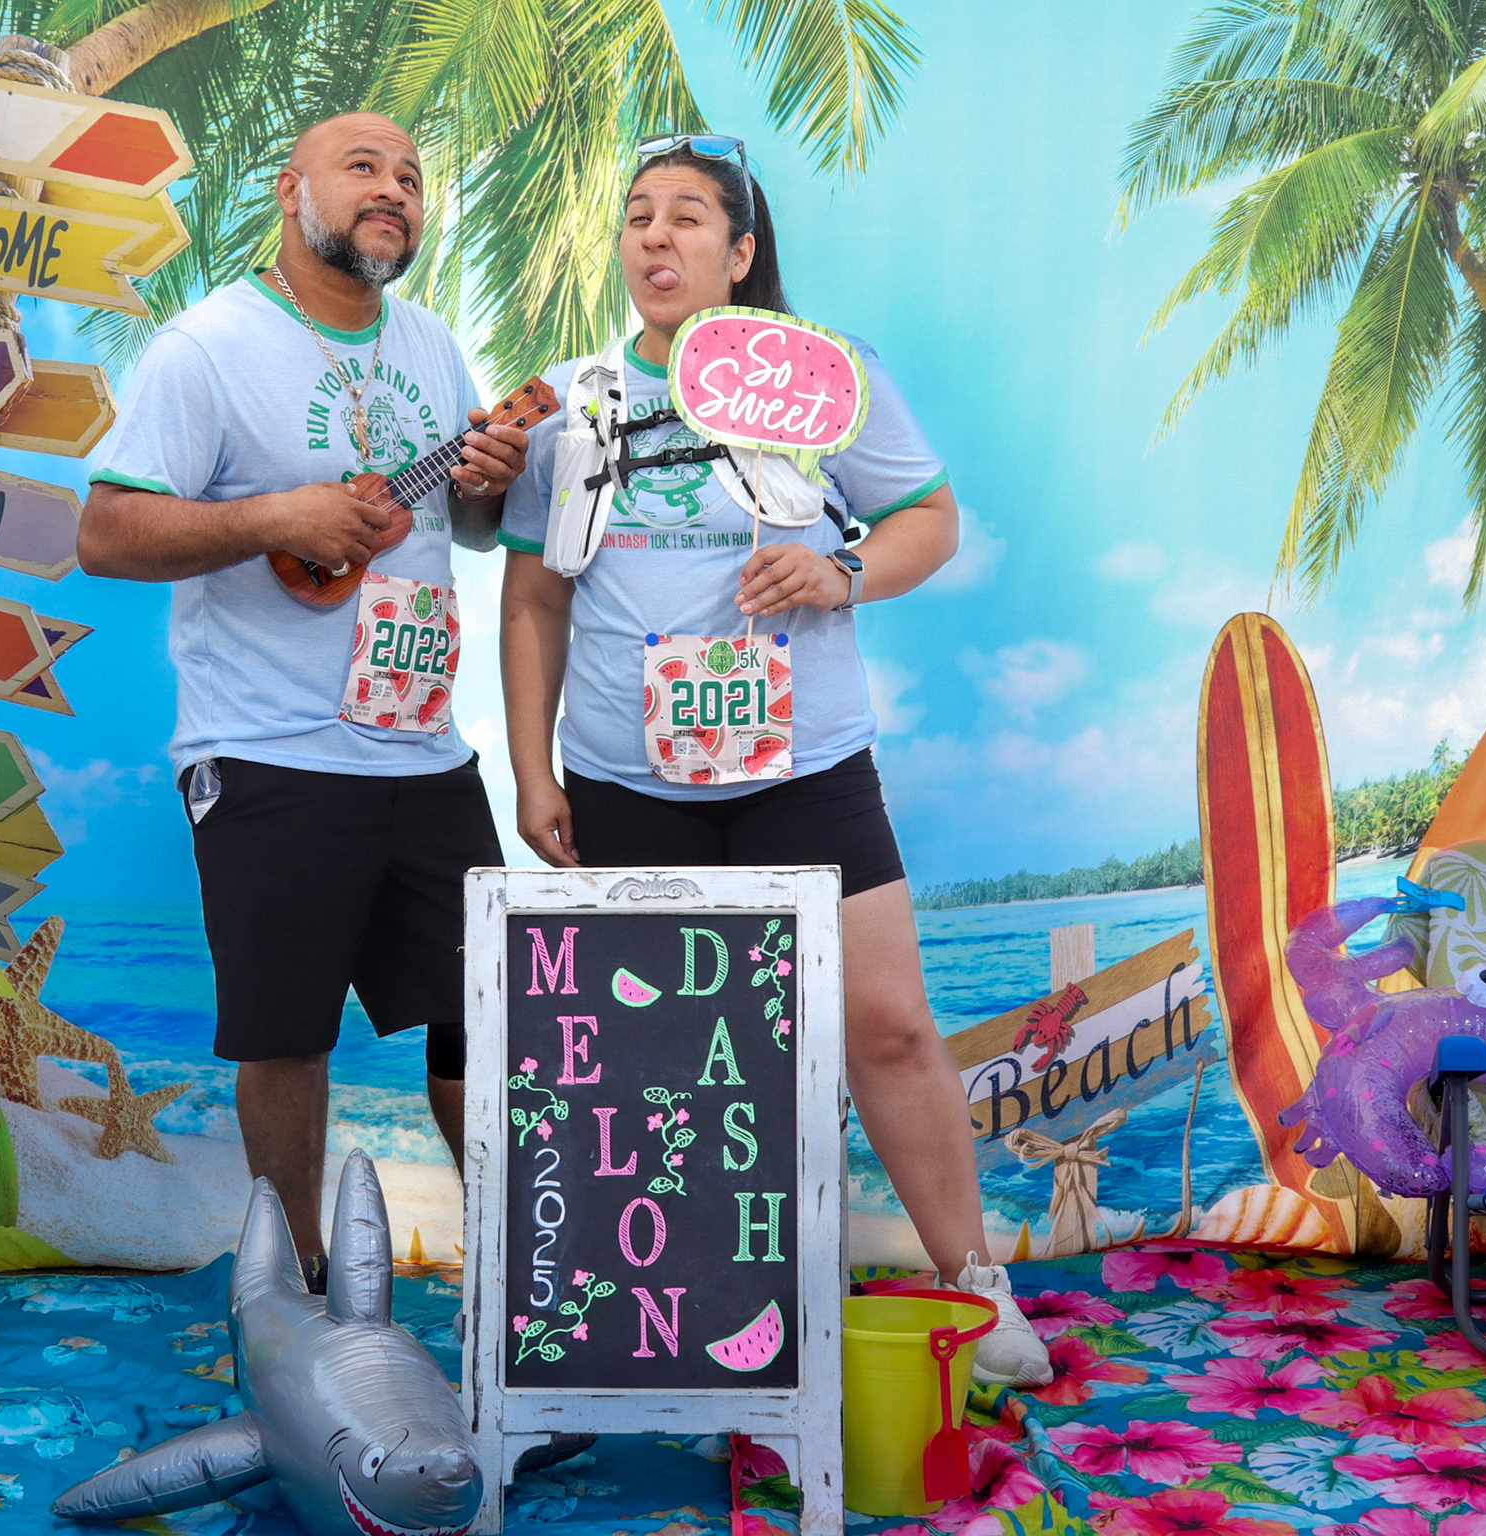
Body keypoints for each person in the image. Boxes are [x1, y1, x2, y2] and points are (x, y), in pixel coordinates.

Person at [496, 135, 1052, 1387]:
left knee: (888, 1029)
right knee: (656, 1076)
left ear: (741, 252)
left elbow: (928, 521)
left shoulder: (823, 382)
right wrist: (533, 773)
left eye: (688, 217)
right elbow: (532, 601)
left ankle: (976, 1285)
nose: (656, 236)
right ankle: (683, 1318)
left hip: (805, 768)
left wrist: (839, 569)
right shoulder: (570, 402)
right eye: (638, 215)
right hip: (626, 782)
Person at [78, 113, 529, 1287]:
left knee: (487, 1017)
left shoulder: (433, 344)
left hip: (425, 750)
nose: (394, 190)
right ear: (292, 192)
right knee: (287, 1037)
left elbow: (471, 531)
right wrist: (279, 516)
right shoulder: (207, 348)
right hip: (269, 751)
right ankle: (303, 1283)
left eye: (412, 177)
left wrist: (490, 485)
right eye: (363, 168)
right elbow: (106, 532)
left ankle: (524, 1266)